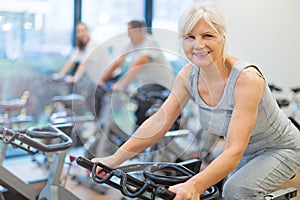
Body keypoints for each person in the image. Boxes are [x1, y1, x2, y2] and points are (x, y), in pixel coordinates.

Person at [91, 2, 300, 200]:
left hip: (281, 149)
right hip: (248, 150)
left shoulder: (246, 80)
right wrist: (113, 160)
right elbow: (157, 123)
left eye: (207, 35)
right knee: (216, 187)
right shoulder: (188, 76)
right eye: (190, 37)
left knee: (236, 189)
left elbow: (234, 149)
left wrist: (194, 185)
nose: (198, 45)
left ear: (223, 38)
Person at [95, 20, 175, 120]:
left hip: (160, 84)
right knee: (139, 111)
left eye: (130, 31)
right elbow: (118, 62)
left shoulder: (150, 42)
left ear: (138, 31)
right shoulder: (132, 44)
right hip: (145, 84)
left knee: (143, 113)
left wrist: (121, 85)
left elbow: (138, 64)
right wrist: (102, 80)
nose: (128, 35)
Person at [53, 22, 112, 115]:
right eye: (79, 31)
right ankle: (95, 122)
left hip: (109, 76)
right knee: (88, 99)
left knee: (93, 99)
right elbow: (71, 61)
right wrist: (60, 75)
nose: (81, 33)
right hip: (97, 79)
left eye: (83, 31)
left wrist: (76, 77)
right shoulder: (80, 47)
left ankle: (98, 123)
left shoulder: (93, 45)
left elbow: (85, 62)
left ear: (88, 32)